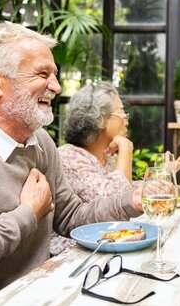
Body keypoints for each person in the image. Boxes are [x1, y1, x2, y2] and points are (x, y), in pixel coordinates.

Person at [0, 22, 143, 306]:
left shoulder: (40, 141)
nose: (57, 87)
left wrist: (131, 200)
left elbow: (71, 215)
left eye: (55, 75)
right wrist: (25, 215)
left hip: (39, 297)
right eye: (42, 73)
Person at [50, 82, 135, 256]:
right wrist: (126, 149)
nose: (126, 118)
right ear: (101, 119)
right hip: (72, 257)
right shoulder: (69, 157)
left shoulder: (108, 158)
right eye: (120, 112)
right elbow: (114, 203)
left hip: (106, 247)